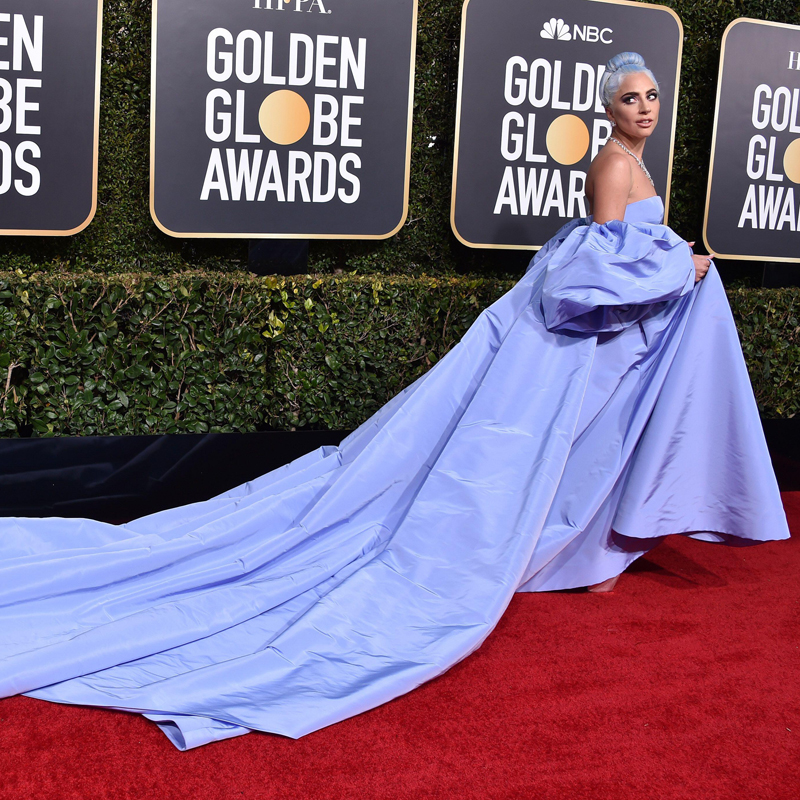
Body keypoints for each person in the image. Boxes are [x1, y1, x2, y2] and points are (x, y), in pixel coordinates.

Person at [0, 53, 789, 750]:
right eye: (631, 99)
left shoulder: (642, 164)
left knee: (582, 446)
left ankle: (582, 549)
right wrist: (674, 270)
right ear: (608, 109)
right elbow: (589, 271)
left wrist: (674, 262)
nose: (644, 108)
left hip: (608, 342)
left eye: (652, 96)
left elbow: (624, 255)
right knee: (521, 448)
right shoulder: (612, 168)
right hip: (576, 338)